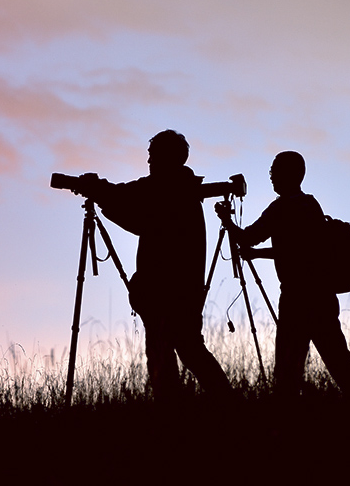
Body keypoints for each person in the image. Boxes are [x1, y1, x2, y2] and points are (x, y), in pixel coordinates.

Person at [74, 130, 234, 400]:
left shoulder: (165, 187)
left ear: (166, 157)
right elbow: (139, 219)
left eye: (152, 156)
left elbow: (126, 199)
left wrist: (97, 189)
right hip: (185, 291)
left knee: (165, 354)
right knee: (190, 350)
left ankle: (174, 416)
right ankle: (230, 406)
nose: (148, 161)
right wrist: (103, 197)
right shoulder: (184, 190)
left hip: (164, 292)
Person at [214, 151, 350, 400]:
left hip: (296, 300)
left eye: (274, 170)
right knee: (339, 359)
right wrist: (256, 254)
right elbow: (295, 251)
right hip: (322, 297)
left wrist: (226, 220)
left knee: (287, 370)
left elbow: (248, 238)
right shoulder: (311, 204)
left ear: (288, 174)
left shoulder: (280, 209)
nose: (271, 175)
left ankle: (285, 424)